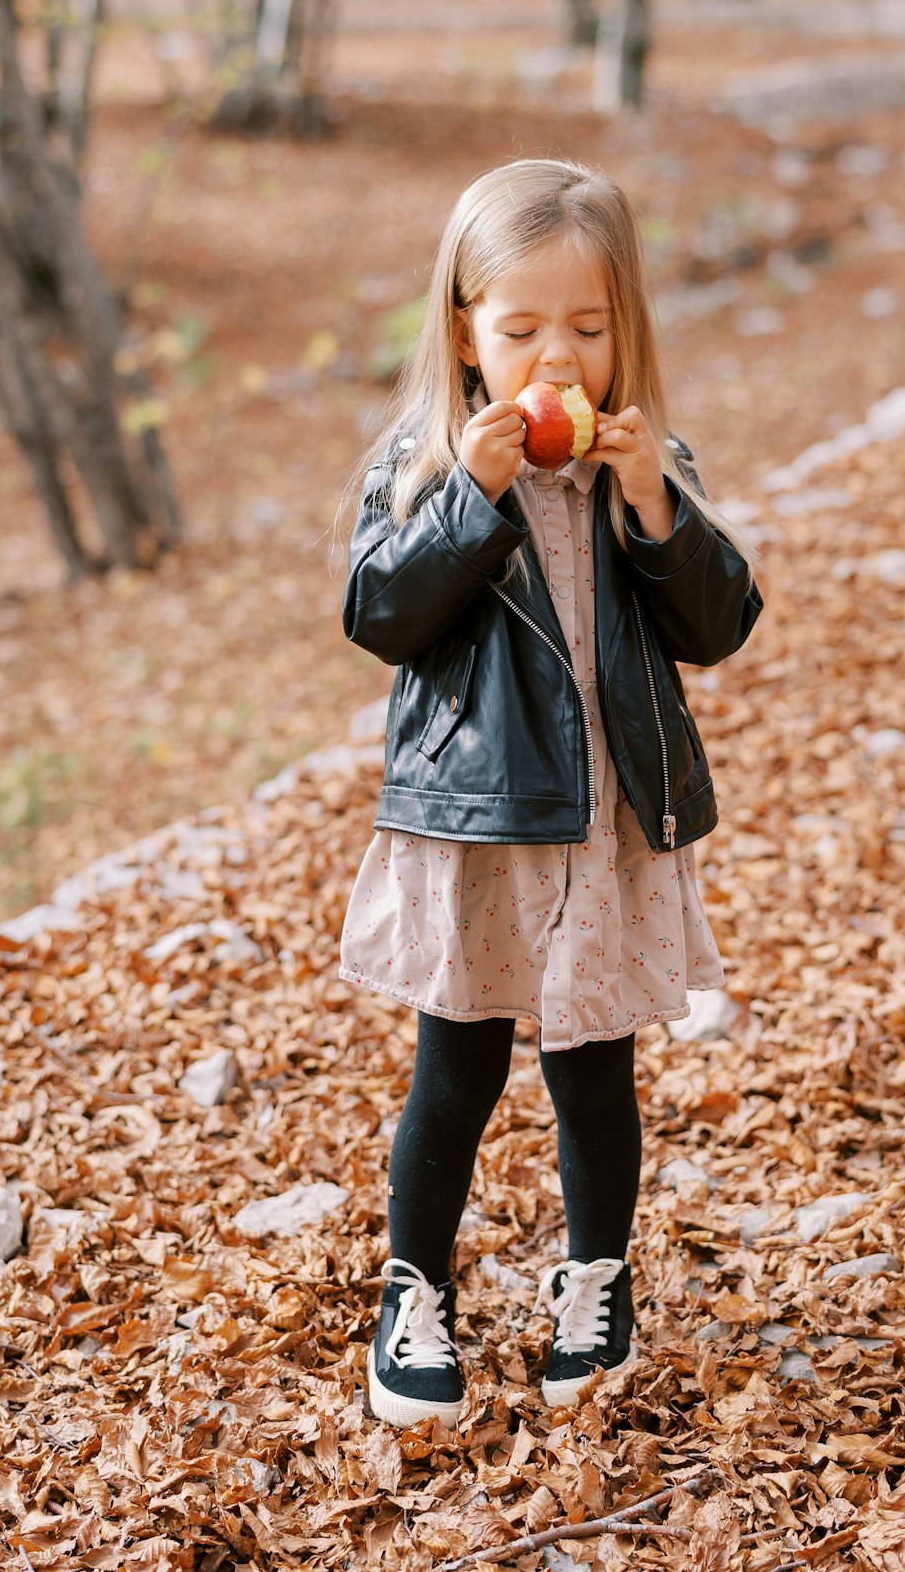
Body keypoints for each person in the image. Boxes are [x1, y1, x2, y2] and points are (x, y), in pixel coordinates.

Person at [340, 157, 762, 1427]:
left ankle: (597, 1278)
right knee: (453, 1069)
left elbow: (719, 622)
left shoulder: (650, 462)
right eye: (522, 328)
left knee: (595, 1071)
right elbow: (380, 614)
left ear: (625, 329)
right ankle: (415, 1288)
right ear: (465, 333)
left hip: (608, 820)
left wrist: (649, 505)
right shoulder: (424, 467)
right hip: (479, 824)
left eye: (588, 328)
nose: (557, 358)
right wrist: (468, 500)